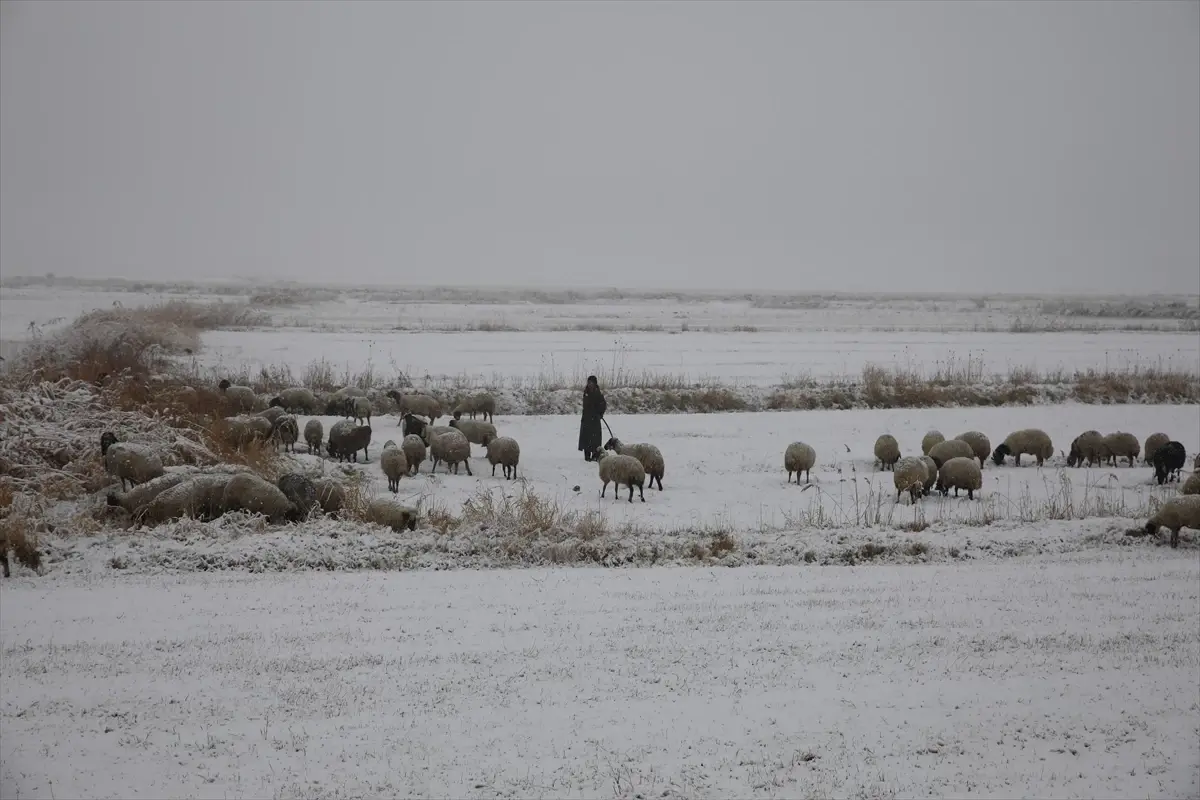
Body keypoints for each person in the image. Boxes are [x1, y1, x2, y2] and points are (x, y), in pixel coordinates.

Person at [578, 375, 607, 461]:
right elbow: (586, 405)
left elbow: (603, 405)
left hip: (595, 420)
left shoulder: (598, 393)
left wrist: (600, 413)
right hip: (586, 419)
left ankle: (595, 455)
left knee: (595, 439)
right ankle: (587, 455)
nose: (589, 384)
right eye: (588, 382)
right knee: (586, 438)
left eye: (591, 382)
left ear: (595, 383)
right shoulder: (586, 392)